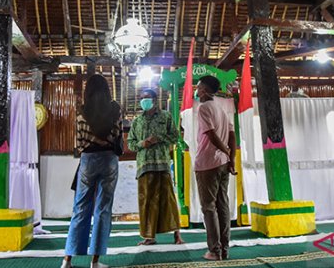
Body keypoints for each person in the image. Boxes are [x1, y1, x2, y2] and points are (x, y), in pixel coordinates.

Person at [62, 74, 123, 268]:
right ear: (107, 89)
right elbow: (118, 136)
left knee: (80, 207)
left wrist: (88, 146)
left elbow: (78, 143)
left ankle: (67, 260)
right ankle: (95, 262)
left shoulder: (81, 110)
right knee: (103, 209)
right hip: (109, 160)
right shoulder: (115, 109)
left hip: (88, 160)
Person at [127, 88, 184, 246]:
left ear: (154, 99)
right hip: (144, 166)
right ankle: (149, 236)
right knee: (146, 202)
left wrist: (158, 139)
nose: (144, 100)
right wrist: (142, 143)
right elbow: (130, 143)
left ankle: (177, 234)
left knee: (168, 200)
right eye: (142, 98)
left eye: (147, 98)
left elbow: (174, 136)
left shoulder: (165, 116)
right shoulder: (137, 121)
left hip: (162, 164)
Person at [194, 75, 236, 261]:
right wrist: (230, 157)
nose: (196, 89)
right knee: (223, 205)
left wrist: (225, 150)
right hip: (222, 163)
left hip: (207, 163)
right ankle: (224, 249)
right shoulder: (221, 108)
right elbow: (232, 134)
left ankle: (214, 250)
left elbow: (210, 134)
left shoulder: (204, 108)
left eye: (198, 86)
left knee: (209, 207)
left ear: (203, 90)